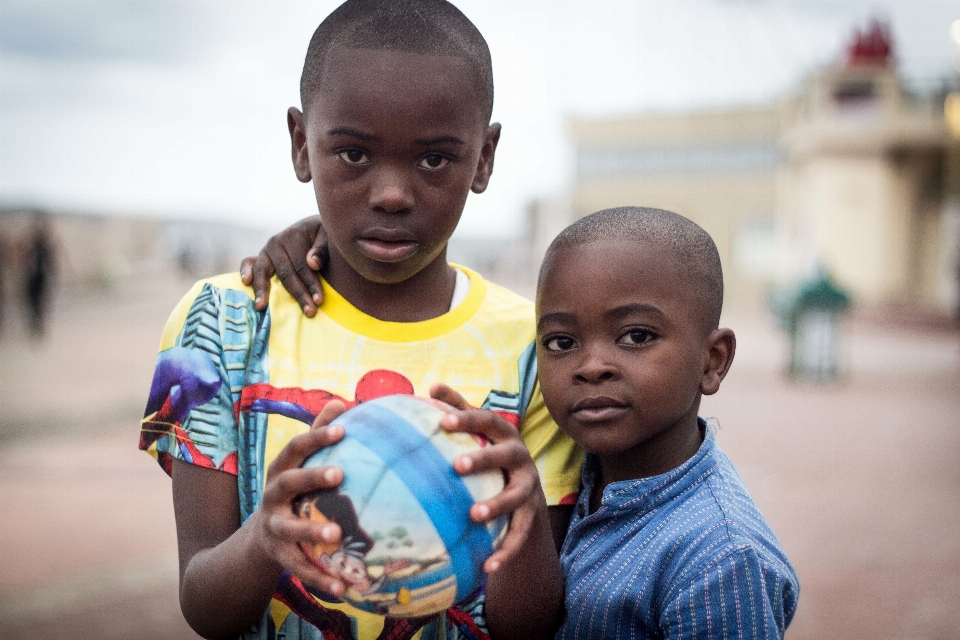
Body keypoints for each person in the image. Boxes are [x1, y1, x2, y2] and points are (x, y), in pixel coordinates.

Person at [139, 2, 581, 640]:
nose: (392, 193)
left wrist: (526, 514)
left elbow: (530, 627)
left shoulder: (536, 351)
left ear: (484, 158)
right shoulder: (226, 324)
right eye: (352, 154)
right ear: (301, 144)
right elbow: (204, 605)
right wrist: (265, 538)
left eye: (433, 159)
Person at [252, 206, 800, 638]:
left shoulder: (723, 559)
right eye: (561, 342)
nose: (591, 366)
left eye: (637, 336)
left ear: (713, 361)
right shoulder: (590, 471)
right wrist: (316, 238)